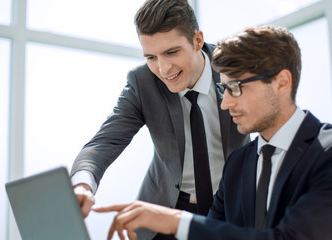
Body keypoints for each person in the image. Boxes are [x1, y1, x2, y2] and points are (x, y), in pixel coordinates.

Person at [92, 25, 332, 240]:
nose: (225, 104)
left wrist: (173, 220)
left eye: (236, 88)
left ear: (281, 82)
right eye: (223, 88)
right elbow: (212, 232)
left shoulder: (327, 153)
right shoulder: (238, 163)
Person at [70, 0, 249, 239]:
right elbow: (104, 143)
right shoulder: (142, 83)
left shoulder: (234, 69)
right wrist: (82, 183)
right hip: (165, 211)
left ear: (197, 40)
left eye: (171, 52)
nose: (163, 69)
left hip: (229, 209)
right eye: (151, 57)